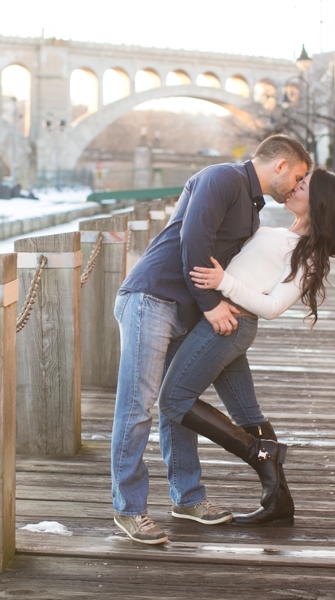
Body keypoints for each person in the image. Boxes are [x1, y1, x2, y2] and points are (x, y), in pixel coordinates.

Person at [110, 135, 312, 545]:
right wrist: (211, 304)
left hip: (184, 309)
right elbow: (194, 240)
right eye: (299, 175)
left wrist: (220, 299)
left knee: (175, 404)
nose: (297, 185)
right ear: (280, 165)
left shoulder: (251, 206)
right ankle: (129, 509)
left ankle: (187, 497)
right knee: (137, 406)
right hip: (153, 297)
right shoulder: (222, 178)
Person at [157, 168, 335, 526]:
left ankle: (258, 453)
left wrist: (223, 282)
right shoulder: (277, 232)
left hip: (231, 327)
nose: (294, 187)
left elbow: (273, 307)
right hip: (221, 322)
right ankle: (279, 501)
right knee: (248, 415)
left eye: (303, 185)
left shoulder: (308, 255)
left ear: (320, 203)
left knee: (172, 400)